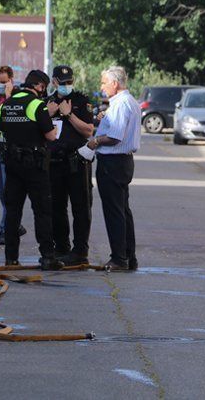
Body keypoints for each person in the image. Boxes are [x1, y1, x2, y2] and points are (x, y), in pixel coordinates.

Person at [0, 70, 62, 270]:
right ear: (40, 87)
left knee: (12, 212)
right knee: (42, 211)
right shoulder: (37, 105)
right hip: (34, 165)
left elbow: (2, 130)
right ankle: (47, 257)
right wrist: (50, 117)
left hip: (12, 163)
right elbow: (51, 136)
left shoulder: (7, 104)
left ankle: (11, 258)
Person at [87, 66, 141, 271]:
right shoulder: (129, 102)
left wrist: (95, 141)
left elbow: (115, 137)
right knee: (123, 210)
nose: (101, 87)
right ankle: (128, 256)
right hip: (122, 162)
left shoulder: (120, 104)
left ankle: (119, 258)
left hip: (113, 162)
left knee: (115, 212)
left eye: (104, 82)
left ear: (115, 83)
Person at [46, 65, 94, 265]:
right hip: (54, 162)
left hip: (77, 162)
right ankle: (62, 246)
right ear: (54, 82)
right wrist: (47, 115)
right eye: (63, 82)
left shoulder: (81, 101)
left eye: (70, 82)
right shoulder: (47, 102)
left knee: (81, 207)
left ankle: (80, 250)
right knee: (56, 207)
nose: (67, 85)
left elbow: (88, 131)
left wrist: (69, 115)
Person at [0, 66, 26, 245]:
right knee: (1, 192)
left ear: (11, 80)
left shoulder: (16, 97)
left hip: (8, 151)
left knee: (9, 193)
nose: (0, 85)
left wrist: (9, 97)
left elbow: (13, 119)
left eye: (3, 82)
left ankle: (5, 229)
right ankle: (15, 223)